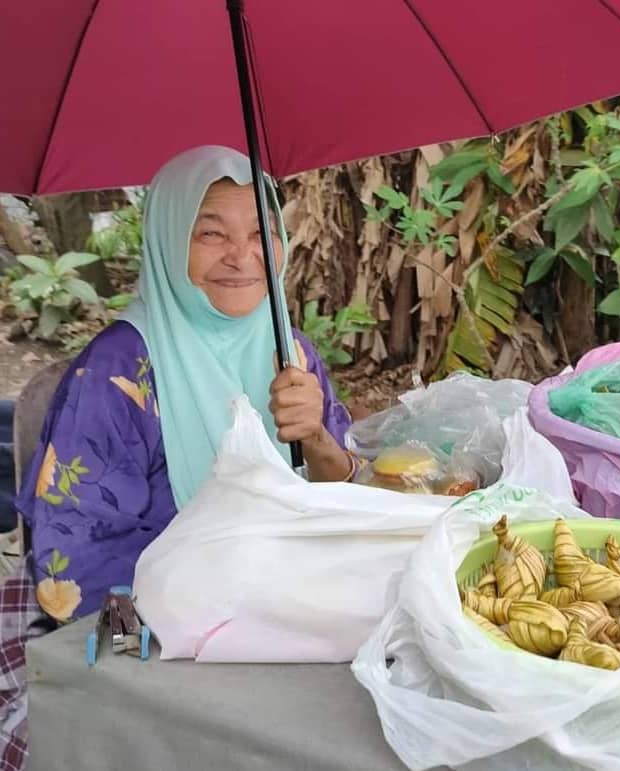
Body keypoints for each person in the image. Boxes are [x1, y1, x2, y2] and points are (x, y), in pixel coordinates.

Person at [0, 146, 357, 767]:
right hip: (172, 628)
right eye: (211, 234)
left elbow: (345, 496)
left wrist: (318, 437)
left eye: (260, 232)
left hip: (287, 604)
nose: (243, 257)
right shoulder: (117, 374)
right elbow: (74, 561)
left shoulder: (289, 350)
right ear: (167, 243)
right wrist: (177, 660)